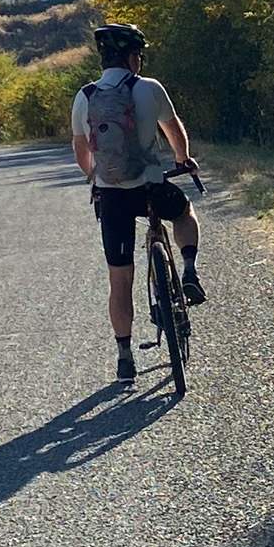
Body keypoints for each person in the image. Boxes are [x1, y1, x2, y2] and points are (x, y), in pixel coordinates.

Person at [70, 22, 205, 383]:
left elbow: (81, 146)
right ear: (132, 57)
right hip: (149, 189)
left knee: (120, 279)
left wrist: (94, 177)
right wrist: (183, 160)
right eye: (139, 55)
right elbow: (174, 131)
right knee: (184, 212)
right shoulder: (149, 89)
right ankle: (189, 268)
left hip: (112, 196)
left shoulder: (85, 97)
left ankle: (125, 356)